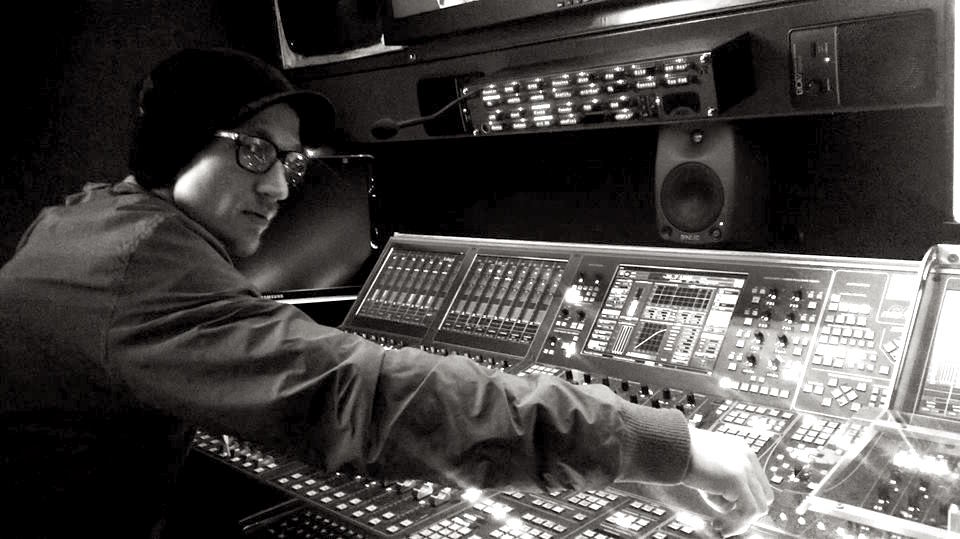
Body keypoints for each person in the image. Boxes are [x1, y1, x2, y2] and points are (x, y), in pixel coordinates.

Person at [0, 47, 773, 538]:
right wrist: (658, 442)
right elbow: (358, 397)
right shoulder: (134, 266)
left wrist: (615, 463)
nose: (277, 187)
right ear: (173, 147)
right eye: (255, 151)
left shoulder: (90, 224)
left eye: (289, 164)